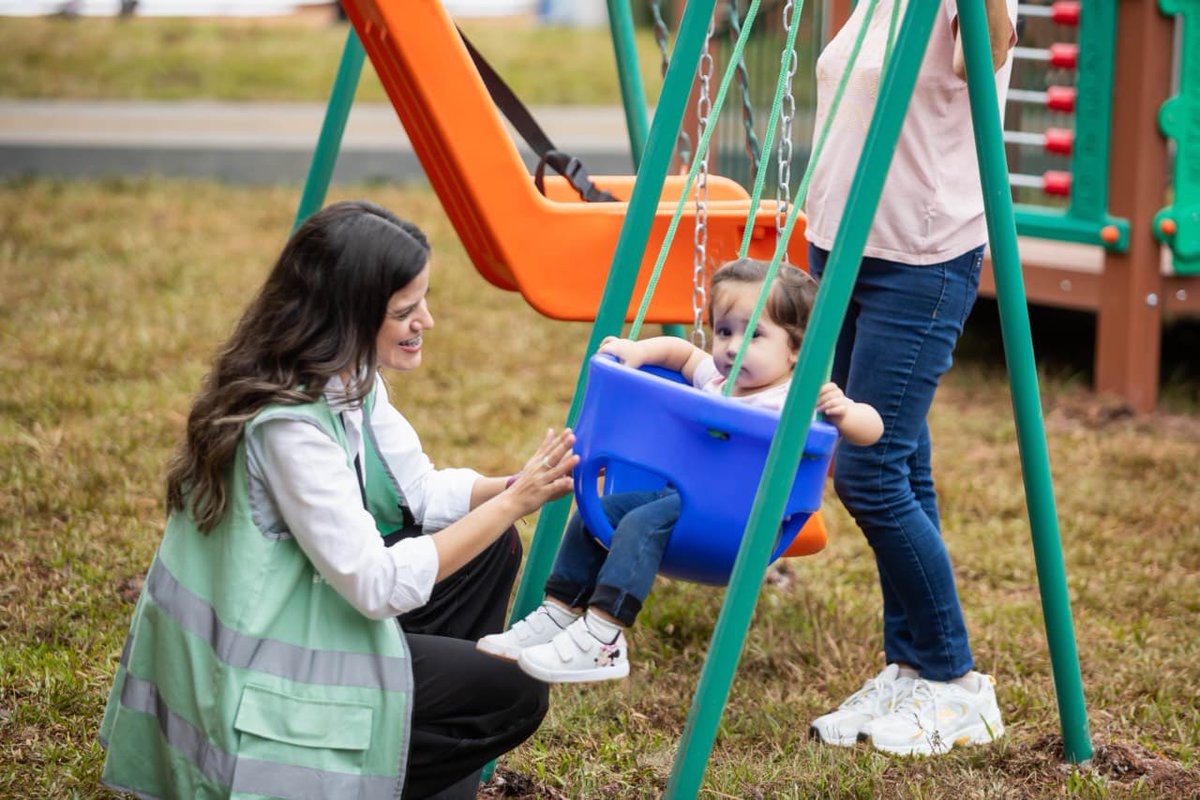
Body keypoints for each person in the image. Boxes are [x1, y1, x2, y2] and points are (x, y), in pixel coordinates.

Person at [98, 200, 578, 799]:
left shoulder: (345, 376)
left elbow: (421, 491)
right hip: (257, 672)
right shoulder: (286, 427)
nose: (426, 320)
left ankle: (426, 767)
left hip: (298, 611)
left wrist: (518, 486)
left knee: (490, 549)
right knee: (514, 693)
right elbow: (376, 585)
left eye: (423, 301)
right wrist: (512, 503)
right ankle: (343, 772)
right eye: (404, 311)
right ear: (347, 315)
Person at [477, 259, 883, 683]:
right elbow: (683, 352)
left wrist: (846, 411)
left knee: (641, 523)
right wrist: (639, 351)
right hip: (681, 501)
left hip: (741, 522)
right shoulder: (718, 380)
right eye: (724, 331)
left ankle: (603, 635)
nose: (732, 347)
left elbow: (872, 429)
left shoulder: (798, 397)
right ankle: (559, 611)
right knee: (596, 514)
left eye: (754, 334)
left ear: (796, 348)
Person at [802, 0, 1018, 757]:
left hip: (918, 259)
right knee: (903, 465)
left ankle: (956, 681)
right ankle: (911, 667)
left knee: (869, 471)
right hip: (839, 247)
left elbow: (983, 61)